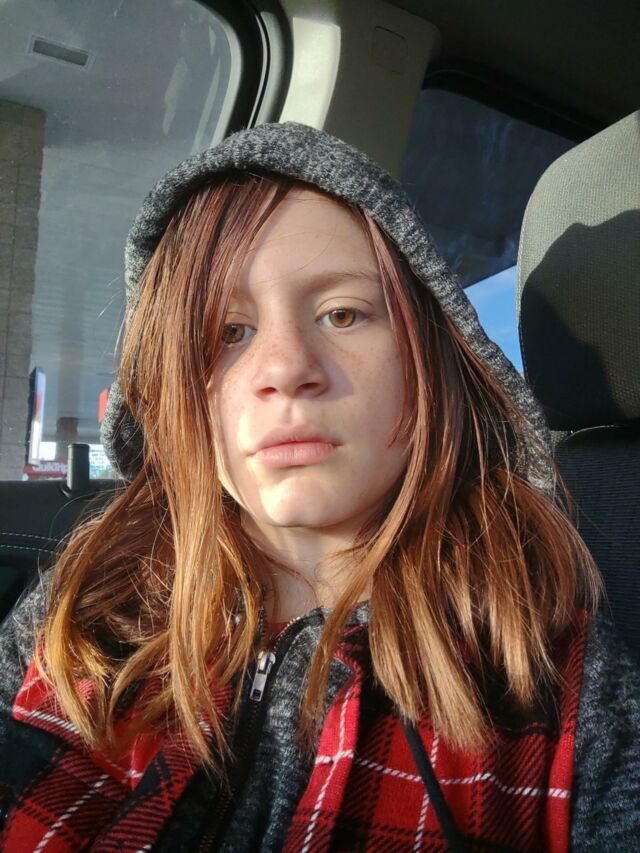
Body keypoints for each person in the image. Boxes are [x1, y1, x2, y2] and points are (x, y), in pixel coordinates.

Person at [0, 121, 638, 852]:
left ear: (428, 364)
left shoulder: (545, 660)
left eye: (342, 314)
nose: (286, 367)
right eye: (228, 332)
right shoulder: (85, 607)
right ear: (174, 388)